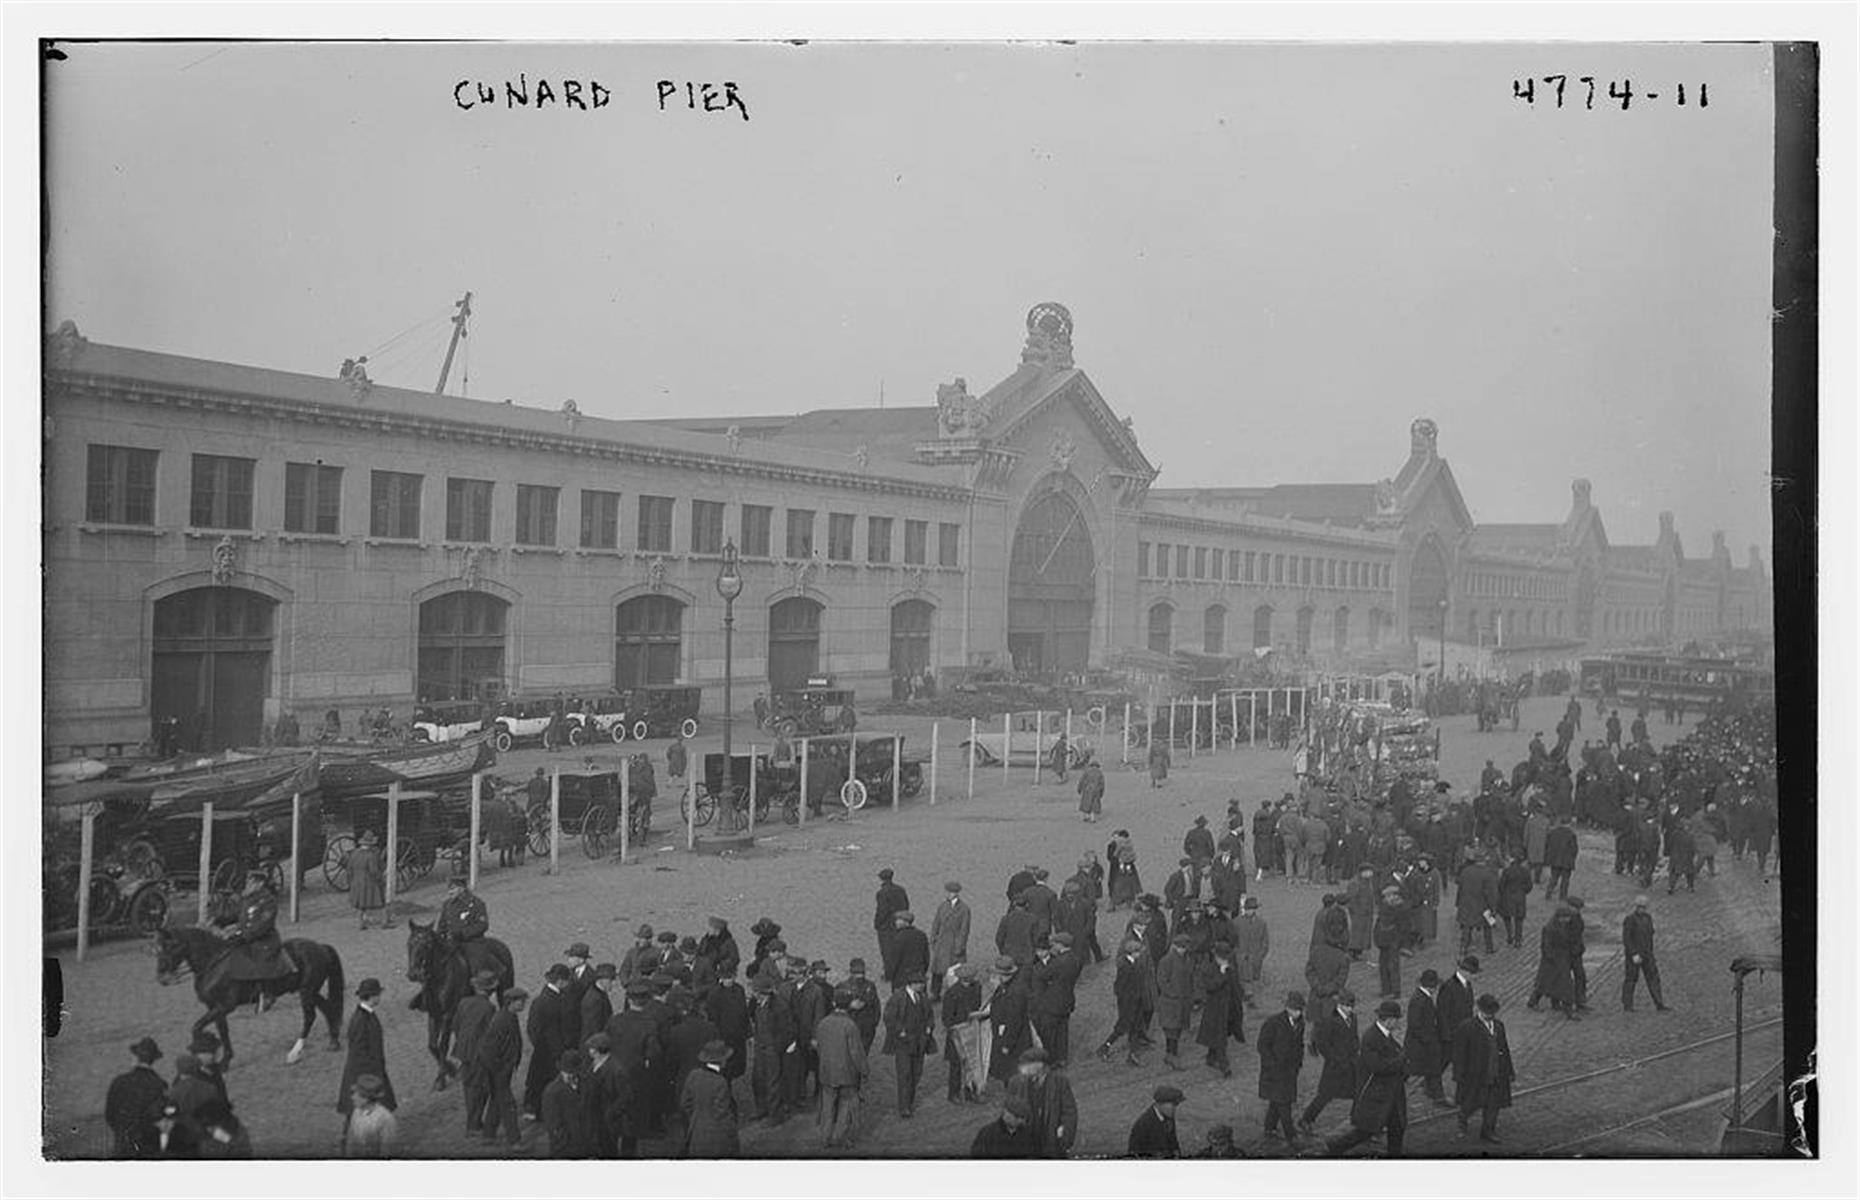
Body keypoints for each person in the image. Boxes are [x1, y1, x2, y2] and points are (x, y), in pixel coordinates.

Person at [1327, 999, 1409, 1156]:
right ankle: (1335, 1148)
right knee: (1366, 1131)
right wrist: (1400, 1060)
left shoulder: (1386, 1035)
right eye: (1397, 1019)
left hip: (1391, 1094)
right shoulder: (1371, 1037)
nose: (1399, 1023)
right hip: (1376, 1095)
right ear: (1389, 1020)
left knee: (1397, 1127)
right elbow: (1377, 1066)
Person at [216, 871, 293, 1008]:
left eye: (251, 882)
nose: (248, 885)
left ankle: (268, 993)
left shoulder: (268, 900)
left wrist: (244, 936)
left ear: (260, 884)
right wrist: (220, 920)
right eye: (248, 882)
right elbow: (238, 917)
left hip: (264, 939)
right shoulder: (247, 899)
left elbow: (264, 924)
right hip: (245, 935)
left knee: (261, 959)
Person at [1450, 994, 1516, 1143]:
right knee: (1471, 1103)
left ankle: (1488, 1131)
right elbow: (1459, 1054)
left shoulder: (1499, 1026)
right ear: (1479, 1009)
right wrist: (1459, 1074)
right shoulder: (1467, 1027)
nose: (1490, 1016)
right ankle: (1462, 1120)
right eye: (1487, 1012)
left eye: (1492, 1013)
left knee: (1493, 1104)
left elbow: (1504, 1049)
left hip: (1496, 1073)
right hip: (1475, 1075)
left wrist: (1509, 1070)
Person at [337, 979, 395, 1140]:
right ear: (373, 996)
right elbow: (359, 1051)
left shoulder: (365, 1015)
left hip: (369, 1070)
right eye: (378, 994)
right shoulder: (361, 1020)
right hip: (365, 1073)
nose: (380, 998)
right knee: (359, 1109)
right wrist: (371, 1076)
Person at [812, 988, 867, 1149]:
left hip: (827, 1072)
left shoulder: (823, 1023)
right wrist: (864, 1070)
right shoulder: (850, 1025)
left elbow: (818, 1047)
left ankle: (824, 1137)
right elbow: (856, 1052)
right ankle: (839, 1137)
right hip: (846, 1074)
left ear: (834, 1003)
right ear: (849, 1004)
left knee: (827, 1106)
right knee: (845, 1105)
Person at [1299, 989, 1359, 1133]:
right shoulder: (1330, 1020)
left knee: (1359, 1092)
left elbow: (1354, 1037)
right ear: (1339, 1005)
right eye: (1346, 1006)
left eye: (1351, 1006)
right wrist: (1334, 1059)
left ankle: (1358, 1121)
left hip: (1351, 1063)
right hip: (1335, 1066)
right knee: (1325, 1095)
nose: (1349, 1009)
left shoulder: (1353, 1018)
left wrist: (1357, 1049)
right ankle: (1306, 1119)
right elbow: (1322, 1044)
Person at [1005, 1047, 1079, 1157]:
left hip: (1052, 1144)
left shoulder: (1060, 1083)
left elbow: (1069, 1112)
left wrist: (1065, 1137)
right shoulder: (1016, 1083)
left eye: (1027, 1065)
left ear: (1040, 1066)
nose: (1023, 1069)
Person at [524, 964, 577, 1118]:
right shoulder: (556, 1000)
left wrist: (539, 1045)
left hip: (542, 1049)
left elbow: (532, 1028)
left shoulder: (541, 999)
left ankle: (534, 1108)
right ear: (560, 981)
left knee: (537, 1080)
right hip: (554, 1050)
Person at [883, 970, 935, 1117]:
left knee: (916, 1073)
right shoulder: (898, 997)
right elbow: (889, 1017)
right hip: (903, 1043)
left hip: (920, 1042)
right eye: (920, 984)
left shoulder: (923, 998)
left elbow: (929, 1015)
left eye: (923, 983)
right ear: (912, 984)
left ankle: (909, 1102)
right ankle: (904, 1107)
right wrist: (900, 1031)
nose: (922, 986)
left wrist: (930, 1027)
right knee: (904, 1074)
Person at [104, 1037, 169, 1158]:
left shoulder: (119, 1082)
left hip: (123, 1141)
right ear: (154, 1060)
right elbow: (161, 1116)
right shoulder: (160, 1084)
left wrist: (121, 1130)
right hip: (148, 1143)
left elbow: (110, 1114)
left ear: (135, 1058)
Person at [1097, 939, 1153, 1066]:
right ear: (1133, 953)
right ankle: (1105, 1047)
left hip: (1136, 1001)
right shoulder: (1125, 967)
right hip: (1128, 1003)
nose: (1140, 954)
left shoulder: (1134, 963)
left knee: (1135, 1027)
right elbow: (1119, 987)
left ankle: (1132, 1055)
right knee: (1122, 1028)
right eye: (1138, 952)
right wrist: (1126, 1002)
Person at [680, 1040, 741, 1157]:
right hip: (717, 1140)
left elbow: (684, 1103)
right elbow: (723, 1114)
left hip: (695, 1135)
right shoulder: (720, 1082)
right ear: (722, 1061)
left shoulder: (693, 1075)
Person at [1031, 932, 1083, 1066]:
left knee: (1049, 1032)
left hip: (1053, 1002)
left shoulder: (1059, 962)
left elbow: (1043, 974)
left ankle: (1051, 1060)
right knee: (1062, 1031)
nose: (1053, 947)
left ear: (1061, 945)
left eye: (1055, 944)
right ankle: (1062, 1058)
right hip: (1068, 999)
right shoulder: (1076, 959)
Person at [1196, 940, 1247, 1076]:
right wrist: (1222, 974)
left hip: (1229, 1007)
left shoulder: (1230, 968)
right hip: (1215, 1009)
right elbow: (1210, 987)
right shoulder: (1208, 968)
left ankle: (1211, 1057)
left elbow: (1236, 986)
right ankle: (1224, 1065)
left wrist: (1240, 999)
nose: (1224, 960)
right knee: (1220, 1037)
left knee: (1221, 1034)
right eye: (1222, 958)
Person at [541, 1049, 597, 1158]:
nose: (570, 1075)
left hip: (588, 1146)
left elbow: (592, 1113)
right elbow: (553, 1124)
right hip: (565, 1150)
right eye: (566, 1072)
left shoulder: (587, 1084)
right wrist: (564, 1142)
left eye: (573, 1072)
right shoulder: (552, 1092)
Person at [941, 963, 985, 1102]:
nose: (970, 980)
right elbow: (947, 1018)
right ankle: (953, 1093)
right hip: (957, 1033)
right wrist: (965, 1019)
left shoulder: (977, 988)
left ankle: (971, 1091)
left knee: (973, 1063)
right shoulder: (952, 993)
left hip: (972, 1031)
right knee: (957, 1065)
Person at [1621, 895, 1671, 1012]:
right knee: (1631, 979)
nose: (1642, 909)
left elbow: (1650, 935)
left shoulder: (1648, 918)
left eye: (1644, 907)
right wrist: (1633, 953)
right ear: (1636, 907)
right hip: (1634, 955)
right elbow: (1627, 939)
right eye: (1640, 907)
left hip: (1647, 953)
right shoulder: (1630, 919)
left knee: (1653, 978)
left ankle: (1659, 1003)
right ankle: (1627, 1005)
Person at [1156, 934, 1197, 1070]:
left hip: (1183, 1001)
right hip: (1170, 1002)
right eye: (1180, 947)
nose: (1182, 950)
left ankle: (1171, 1054)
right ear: (1175, 946)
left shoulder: (1189, 960)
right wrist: (1173, 993)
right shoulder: (1167, 961)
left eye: (1185, 947)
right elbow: (1162, 981)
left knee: (1178, 1028)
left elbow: (1191, 978)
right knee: (1171, 1029)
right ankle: (1172, 1055)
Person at [342, 1074, 397, 1157]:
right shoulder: (356, 1112)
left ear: (366, 1099)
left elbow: (387, 1151)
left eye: (357, 1095)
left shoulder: (385, 1119)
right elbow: (351, 1140)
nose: (353, 1097)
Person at [1456, 852, 1499, 956]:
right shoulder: (1488, 873)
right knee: (1487, 926)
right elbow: (1491, 893)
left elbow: (1460, 888)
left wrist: (1458, 902)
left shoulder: (1465, 871)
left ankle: (1463, 948)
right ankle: (1489, 947)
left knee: (1467, 927)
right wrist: (1493, 907)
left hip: (1467, 903)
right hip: (1483, 905)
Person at [344, 829, 389, 929]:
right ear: (371, 844)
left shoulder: (354, 854)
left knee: (361, 904)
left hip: (357, 882)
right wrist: (381, 879)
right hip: (369, 883)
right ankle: (384, 922)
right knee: (381, 902)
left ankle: (361, 923)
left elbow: (349, 869)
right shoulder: (371, 856)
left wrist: (351, 882)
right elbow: (374, 871)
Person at [970, 1096, 1039, 1157]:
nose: (1020, 1121)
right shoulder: (987, 1133)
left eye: (1022, 1117)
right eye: (1016, 1116)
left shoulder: (1028, 1135)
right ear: (1005, 1112)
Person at [873, 868, 910, 982]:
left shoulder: (881, 893)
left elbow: (882, 911)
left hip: (887, 926)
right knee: (899, 948)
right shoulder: (900, 889)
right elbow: (906, 905)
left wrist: (877, 923)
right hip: (900, 922)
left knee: (887, 950)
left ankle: (890, 973)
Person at [1127, 1085, 1183, 1157]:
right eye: (1173, 1104)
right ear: (1159, 1104)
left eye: (1177, 1104)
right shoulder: (1142, 1125)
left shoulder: (1168, 1117)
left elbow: (1173, 1143)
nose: (1175, 1108)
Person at [1496, 853, 1533, 950]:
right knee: (1519, 919)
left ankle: (1509, 936)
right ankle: (1518, 940)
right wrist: (1523, 891)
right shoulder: (1525, 872)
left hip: (1508, 897)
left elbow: (1501, 886)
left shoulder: (1507, 871)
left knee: (1507, 917)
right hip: (1520, 898)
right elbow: (1529, 886)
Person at [1544, 818, 1578, 901]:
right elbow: (1574, 849)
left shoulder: (1552, 833)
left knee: (1554, 878)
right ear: (1568, 823)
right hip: (1567, 861)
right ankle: (1563, 896)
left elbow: (1547, 846)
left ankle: (1548, 893)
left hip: (1555, 860)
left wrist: (1548, 857)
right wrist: (1572, 858)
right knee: (1565, 880)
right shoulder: (1571, 834)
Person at [1076, 758, 1105, 823]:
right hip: (1096, 791)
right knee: (1093, 805)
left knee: (1086, 804)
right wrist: (1101, 793)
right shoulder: (1100, 773)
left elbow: (1082, 781)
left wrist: (1079, 789)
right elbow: (1102, 784)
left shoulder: (1087, 772)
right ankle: (1092, 818)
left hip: (1087, 790)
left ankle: (1086, 817)